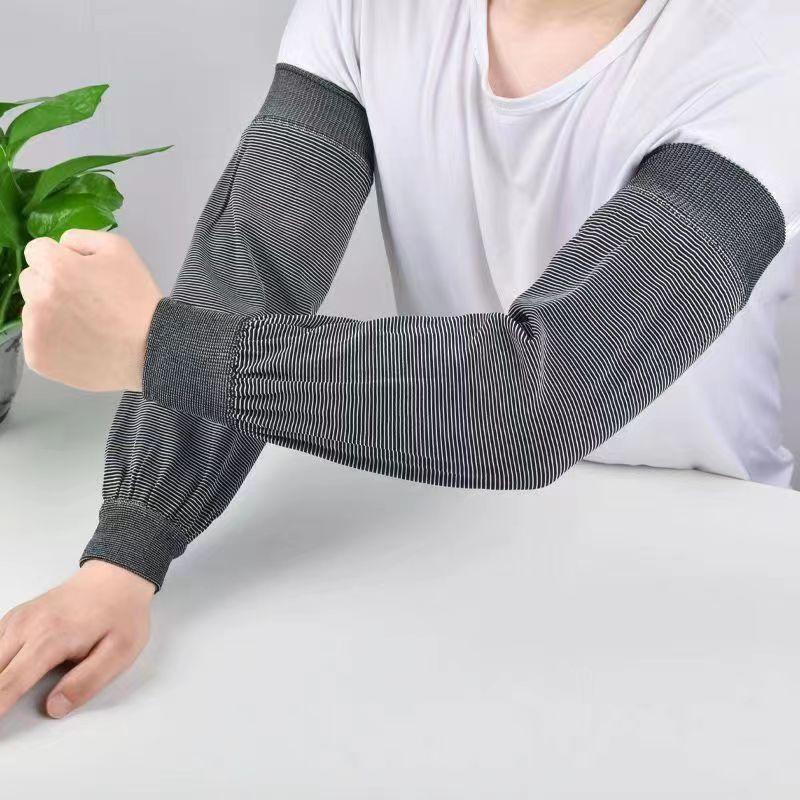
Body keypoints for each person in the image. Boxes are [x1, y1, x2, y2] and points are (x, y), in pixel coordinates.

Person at [1, 0, 798, 721]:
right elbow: (254, 276)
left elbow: (539, 400)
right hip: (453, 514)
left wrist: (155, 346)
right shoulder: (365, 13)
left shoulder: (761, 61)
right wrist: (129, 550)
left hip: (710, 557)